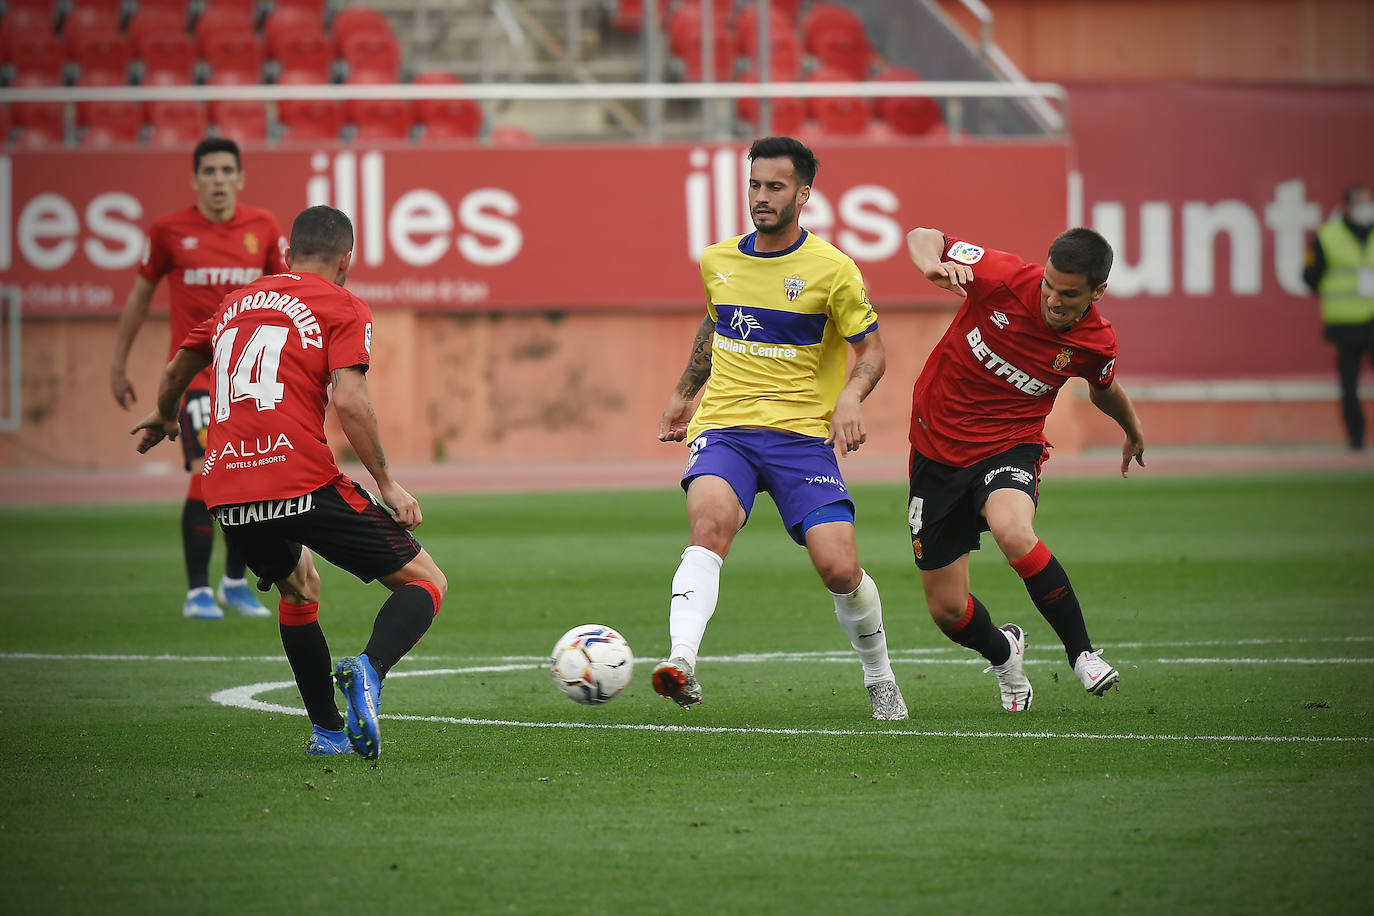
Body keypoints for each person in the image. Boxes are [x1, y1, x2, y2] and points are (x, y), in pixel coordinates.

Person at [132, 205, 447, 760]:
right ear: (346, 260)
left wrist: (164, 415)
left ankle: (328, 734)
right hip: (298, 476)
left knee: (299, 589)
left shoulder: (234, 303)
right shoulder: (343, 304)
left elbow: (178, 366)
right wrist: (388, 483)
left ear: (284, 254)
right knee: (425, 582)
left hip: (226, 489)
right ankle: (369, 671)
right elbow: (351, 401)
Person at [654, 136, 908, 720]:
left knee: (838, 566)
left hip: (801, 437)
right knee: (709, 524)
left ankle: (880, 677)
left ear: (803, 194)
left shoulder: (833, 269)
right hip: (727, 429)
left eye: (775, 186)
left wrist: (851, 396)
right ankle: (681, 662)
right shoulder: (718, 260)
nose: (761, 197)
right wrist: (685, 393)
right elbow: (716, 324)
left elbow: (872, 350)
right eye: (754, 185)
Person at [904, 225, 1145, 711]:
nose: (1053, 300)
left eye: (1069, 294)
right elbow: (923, 234)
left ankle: (1082, 654)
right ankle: (1004, 651)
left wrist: (1132, 430)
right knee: (948, 612)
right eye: (1049, 286)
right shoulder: (1002, 276)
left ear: (1097, 292)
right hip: (937, 449)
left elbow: (1103, 389)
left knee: (1013, 531)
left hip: (1010, 446)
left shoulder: (1096, 341)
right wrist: (931, 264)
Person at [111, 137, 289, 620]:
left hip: (247, 377)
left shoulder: (263, 226)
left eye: (227, 170)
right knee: (204, 473)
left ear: (241, 177)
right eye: (208, 171)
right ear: (194, 179)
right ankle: (196, 592)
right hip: (194, 376)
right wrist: (118, 365)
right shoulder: (169, 230)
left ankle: (233, 582)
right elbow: (140, 297)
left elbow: (284, 295)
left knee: (250, 476)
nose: (218, 179)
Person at [1303, 184, 1374, 451]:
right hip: (1345, 323)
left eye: (1368, 201)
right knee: (1349, 385)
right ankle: (1356, 439)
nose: (1367, 207)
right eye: (1360, 202)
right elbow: (1310, 276)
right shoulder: (1328, 236)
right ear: (1346, 207)